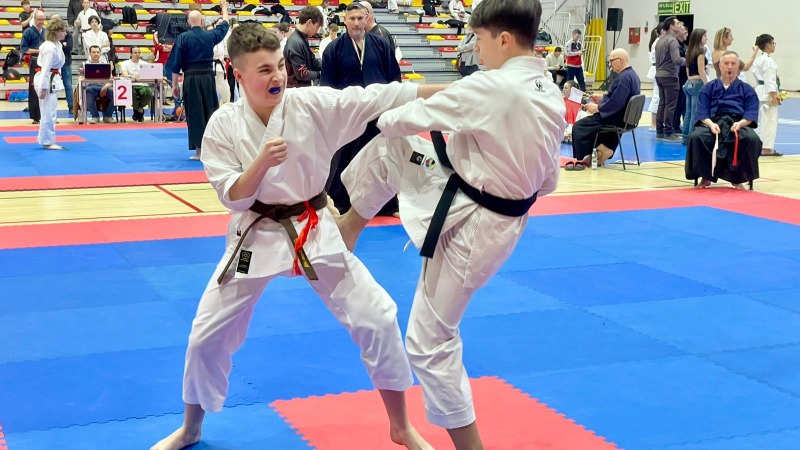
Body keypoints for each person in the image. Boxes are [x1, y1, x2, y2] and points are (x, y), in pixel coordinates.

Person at [148, 22, 447, 450]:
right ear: (238, 74)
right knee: (206, 334)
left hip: (314, 227)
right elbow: (233, 196)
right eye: (264, 70)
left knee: (378, 317)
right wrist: (260, 163)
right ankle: (191, 428)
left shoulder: (311, 105)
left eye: (280, 66)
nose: (278, 77)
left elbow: (380, 96)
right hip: (256, 233)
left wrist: (464, 91)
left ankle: (400, 426)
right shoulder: (223, 125)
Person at [336, 0, 563, 448]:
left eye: (479, 39)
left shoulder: (492, 86)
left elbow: (396, 120)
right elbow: (549, 181)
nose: (476, 50)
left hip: (476, 224)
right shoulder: (548, 90)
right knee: (392, 152)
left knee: (429, 340)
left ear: (503, 39)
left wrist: (378, 110)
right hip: (489, 206)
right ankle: (348, 228)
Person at [321, 2, 401, 216]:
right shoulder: (333, 49)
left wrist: (395, 105)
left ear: (367, 19)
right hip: (348, 113)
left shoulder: (381, 45)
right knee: (344, 159)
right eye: (352, 19)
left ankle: (387, 205)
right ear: (345, 20)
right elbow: (326, 86)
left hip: (377, 111)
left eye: (360, 18)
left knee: (381, 157)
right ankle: (340, 204)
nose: (356, 23)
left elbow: (394, 77)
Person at [684, 51, 761, 189]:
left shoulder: (747, 90)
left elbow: (751, 113)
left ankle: (738, 178)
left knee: (752, 139)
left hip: (737, 124)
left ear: (738, 66)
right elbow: (702, 112)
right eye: (726, 63)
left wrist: (740, 123)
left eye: (733, 64)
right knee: (696, 137)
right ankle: (706, 176)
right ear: (720, 66)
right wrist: (710, 124)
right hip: (713, 122)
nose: (729, 67)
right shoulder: (708, 87)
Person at [168, 3, 230, 160]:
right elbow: (225, 25)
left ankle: (199, 151)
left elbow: (175, 64)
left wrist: (174, 85)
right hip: (208, 78)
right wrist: (224, 9)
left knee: (195, 114)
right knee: (210, 111)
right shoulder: (209, 36)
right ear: (202, 22)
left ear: (189, 22)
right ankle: (213, 149)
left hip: (191, 78)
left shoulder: (183, 38)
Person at [571, 48, 640, 166]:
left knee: (579, 127)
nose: (610, 64)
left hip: (616, 118)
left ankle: (592, 154)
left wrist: (597, 108)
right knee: (593, 124)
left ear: (620, 60)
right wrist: (602, 97)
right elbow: (618, 97)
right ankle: (601, 151)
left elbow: (616, 103)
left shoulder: (623, 78)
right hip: (626, 118)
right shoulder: (632, 75)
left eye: (611, 61)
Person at [35, 17, 68, 150]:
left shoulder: (57, 44)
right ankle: (47, 142)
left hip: (52, 78)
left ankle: (45, 139)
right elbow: (45, 69)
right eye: (63, 31)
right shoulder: (50, 47)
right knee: (48, 112)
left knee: (50, 111)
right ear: (56, 32)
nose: (65, 33)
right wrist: (42, 88)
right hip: (46, 79)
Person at [751, 34, 782, 157]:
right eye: (773, 43)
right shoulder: (768, 61)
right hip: (767, 93)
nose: (774, 46)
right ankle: (766, 148)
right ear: (768, 45)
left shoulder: (759, 59)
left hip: (760, 91)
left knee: (763, 120)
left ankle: (760, 145)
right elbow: (770, 80)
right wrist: (773, 96)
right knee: (769, 120)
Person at [283, 6, 324, 87]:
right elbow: (302, 74)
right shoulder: (296, 42)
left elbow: (313, 61)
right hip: (295, 90)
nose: (317, 31)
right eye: (317, 27)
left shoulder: (302, 38)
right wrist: (320, 73)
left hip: (300, 88)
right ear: (309, 22)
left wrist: (328, 66)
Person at [682, 28, 708, 145]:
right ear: (699, 38)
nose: (706, 38)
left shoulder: (689, 51)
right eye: (705, 36)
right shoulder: (700, 52)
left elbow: (687, 69)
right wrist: (706, 84)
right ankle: (692, 138)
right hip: (697, 82)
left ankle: (685, 137)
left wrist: (689, 79)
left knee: (688, 112)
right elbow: (701, 70)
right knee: (694, 112)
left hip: (689, 82)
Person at [20, 9, 45, 124]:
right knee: (34, 88)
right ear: (34, 19)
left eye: (43, 20)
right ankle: (35, 116)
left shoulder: (46, 31)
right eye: (39, 20)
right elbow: (24, 49)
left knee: (47, 88)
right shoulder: (28, 32)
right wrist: (39, 50)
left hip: (46, 61)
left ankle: (47, 115)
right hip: (35, 61)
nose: (41, 22)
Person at [82, 45, 116, 124]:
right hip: (90, 87)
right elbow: (80, 79)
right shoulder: (84, 65)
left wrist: (105, 87)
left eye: (98, 52)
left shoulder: (106, 65)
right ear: (90, 53)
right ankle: (95, 116)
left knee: (115, 93)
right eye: (94, 52)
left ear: (100, 53)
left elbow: (111, 80)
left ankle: (108, 116)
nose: (96, 54)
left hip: (104, 86)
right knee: (88, 91)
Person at [121, 47, 155, 122]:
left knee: (149, 93)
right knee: (131, 93)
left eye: (139, 53)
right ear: (131, 54)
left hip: (143, 85)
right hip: (130, 85)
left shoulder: (145, 64)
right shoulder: (125, 63)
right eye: (135, 53)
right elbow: (125, 75)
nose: (137, 54)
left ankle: (137, 109)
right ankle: (140, 111)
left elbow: (150, 74)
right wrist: (134, 77)